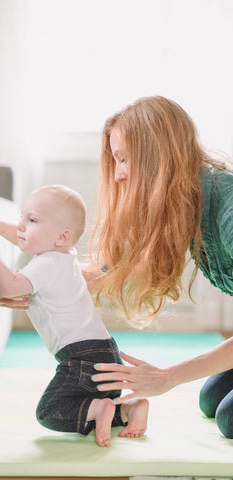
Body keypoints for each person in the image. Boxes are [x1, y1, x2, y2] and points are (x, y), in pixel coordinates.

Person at [86, 95, 233, 439]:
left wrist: (168, 376)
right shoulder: (185, 197)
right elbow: (117, 264)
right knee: (210, 401)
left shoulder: (227, 203)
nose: (119, 174)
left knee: (229, 420)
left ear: (156, 155)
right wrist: (33, 285)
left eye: (124, 159)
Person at [0, 184, 149, 447]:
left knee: (50, 411)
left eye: (31, 220)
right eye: (22, 216)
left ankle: (100, 408)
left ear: (62, 237)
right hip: (107, 358)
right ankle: (126, 409)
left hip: (81, 361)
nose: (20, 226)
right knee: (83, 404)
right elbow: (23, 237)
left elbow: (9, 285)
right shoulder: (64, 255)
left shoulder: (46, 263)